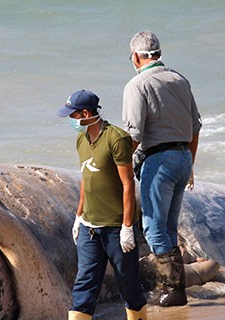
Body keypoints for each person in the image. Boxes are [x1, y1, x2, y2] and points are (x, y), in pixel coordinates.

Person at [122, 31, 202, 307]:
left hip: (158, 159)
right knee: (168, 227)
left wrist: (118, 165)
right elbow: (195, 128)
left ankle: (172, 289)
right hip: (182, 158)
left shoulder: (137, 84)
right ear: (158, 53)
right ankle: (172, 288)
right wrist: (190, 162)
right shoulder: (180, 79)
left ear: (135, 56)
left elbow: (133, 134)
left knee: (154, 228)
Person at [57, 89, 147, 320]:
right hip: (89, 227)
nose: (71, 120)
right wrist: (79, 217)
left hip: (116, 227)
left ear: (85, 113)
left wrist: (127, 227)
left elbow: (128, 184)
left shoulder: (116, 138)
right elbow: (86, 180)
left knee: (129, 285)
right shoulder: (81, 139)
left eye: (73, 115)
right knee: (84, 284)